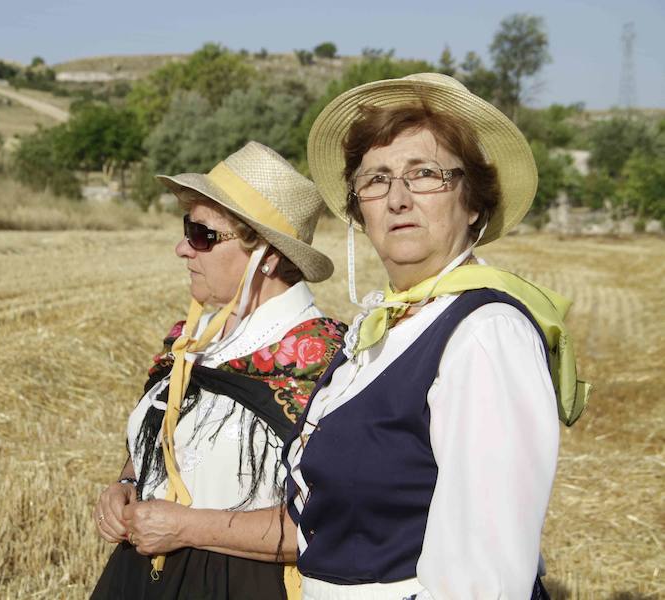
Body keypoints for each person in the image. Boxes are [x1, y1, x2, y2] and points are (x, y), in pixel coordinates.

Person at [283, 73, 590, 599]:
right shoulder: (378, 329)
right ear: (360, 209)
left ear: (473, 204)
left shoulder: (486, 334)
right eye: (376, 179)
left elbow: (483, 579)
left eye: (424, 174)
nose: (397, 198)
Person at [91, 141, 346, 600]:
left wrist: (189, 527)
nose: (182, 249)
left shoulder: (327, 362)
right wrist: (128, 482)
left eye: (202, 234)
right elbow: (166, 438)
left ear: (265, 256)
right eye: (187, 230)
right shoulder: (191, 339)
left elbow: (330, 523)